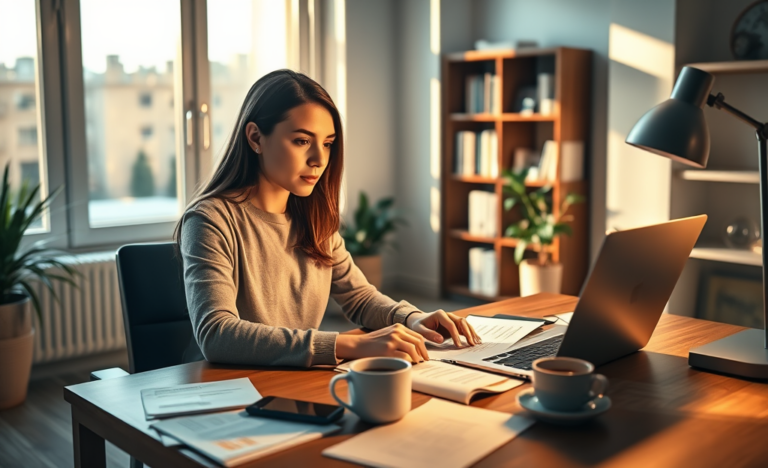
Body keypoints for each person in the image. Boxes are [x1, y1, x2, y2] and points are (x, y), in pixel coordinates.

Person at [176, 69, 480, 368]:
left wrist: (412, 318)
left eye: (327, 143)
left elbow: (359, 297)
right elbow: (216, 335)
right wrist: (347, 344)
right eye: (301, 141)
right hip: (227, 390)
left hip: (295, 380)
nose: (319, 160)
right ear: (256, 137)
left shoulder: (313, 216)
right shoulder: (209, 220)